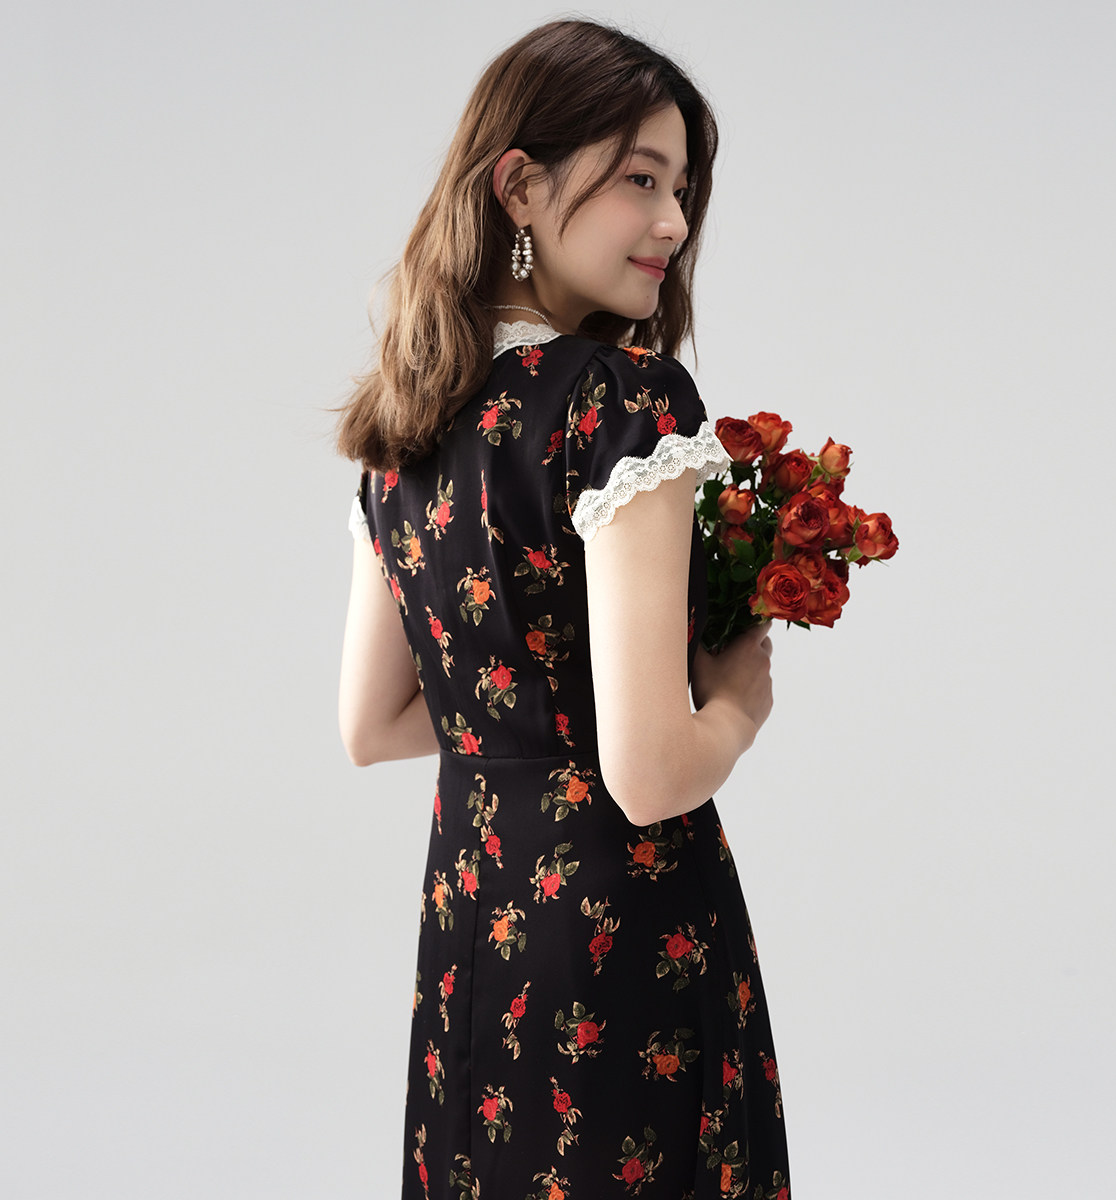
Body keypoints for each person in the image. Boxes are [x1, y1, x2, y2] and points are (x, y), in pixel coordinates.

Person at [336, 19, 787, 1199]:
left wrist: (526, 721)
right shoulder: (622, 405)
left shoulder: (402, 425)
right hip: (622, 933)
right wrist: (734, 708)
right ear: (521, 187)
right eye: (641, 178)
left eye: (682, 189)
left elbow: (373, 725)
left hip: (474, 922)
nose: (674, 221)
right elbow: (651, 776)